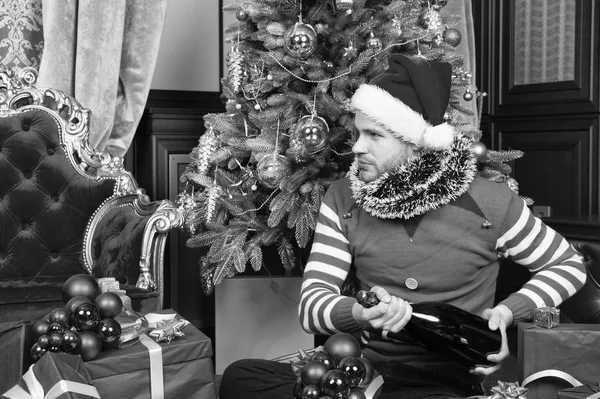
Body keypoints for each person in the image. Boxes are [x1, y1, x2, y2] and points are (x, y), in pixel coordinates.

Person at [219, 54, 587, 399]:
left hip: (447, 378)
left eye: (375, 136)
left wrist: (508, 313)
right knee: (241, 377)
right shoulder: (342, 197)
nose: (357, 148)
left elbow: (568, 266)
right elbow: (311, 305)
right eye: (358, 133)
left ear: (417, 143)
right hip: (362, 369)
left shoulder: (490, 202)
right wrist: (360, 313)